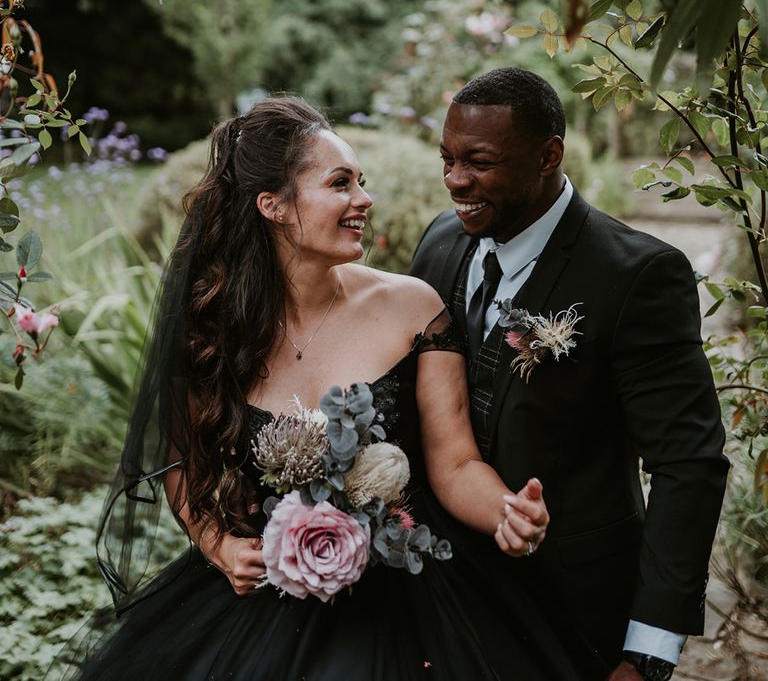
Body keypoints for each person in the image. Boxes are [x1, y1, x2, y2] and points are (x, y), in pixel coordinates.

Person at [57, 95, 607, 680]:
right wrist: (218, 545)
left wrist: (505, 511)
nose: (364, 200)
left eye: (361, 182)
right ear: (272, 204)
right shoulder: (214, 328)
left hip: (413, 587)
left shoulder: (413, 309)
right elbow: (178, 460)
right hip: (270, 597)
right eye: (340, 183)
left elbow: (455, 466)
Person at [410, 67, 730, 681]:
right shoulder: (440, 243)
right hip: (442, 598)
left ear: (547, 156)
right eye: (446, 158)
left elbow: (688, 464)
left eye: (477, 161)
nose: (455, 181)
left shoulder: (637, 276)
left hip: (573, 609)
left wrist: (648, 651)